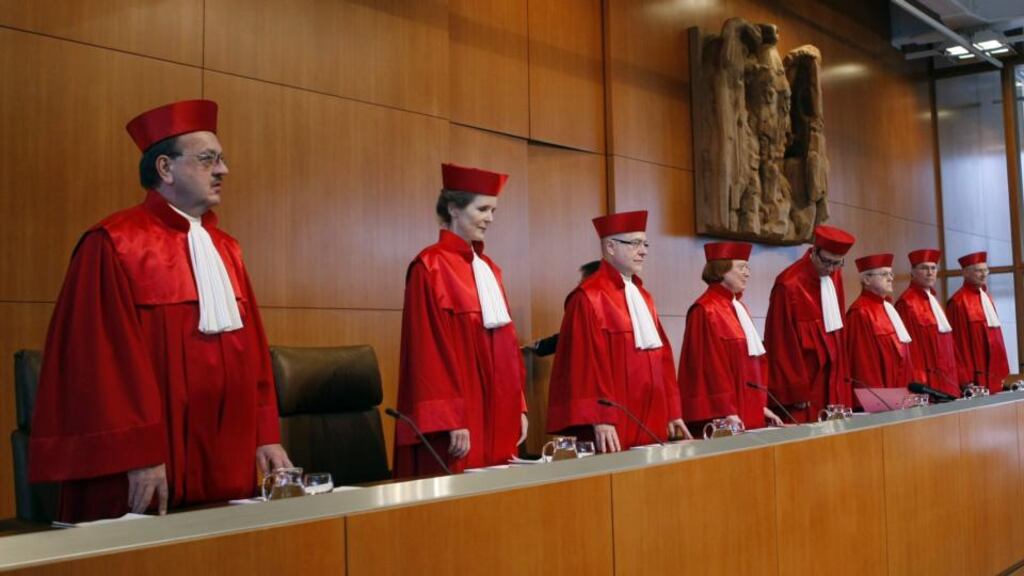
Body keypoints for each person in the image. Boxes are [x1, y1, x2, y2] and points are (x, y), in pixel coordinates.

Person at [29, 100, 290, 522]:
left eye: (221, 159)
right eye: (208, 159)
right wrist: (139, 452)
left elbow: (253, 355)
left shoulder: (227, 249)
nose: (223, 170)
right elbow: (100, 367)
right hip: (150, 464)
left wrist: (264, 436)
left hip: (227, 458)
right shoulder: (113, 244)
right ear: (165, 169)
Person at [392, 163, 527, 477]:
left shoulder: (490, 270)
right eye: (482, 209)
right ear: (453, 208)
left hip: (497, 410)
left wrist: (517, 405)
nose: (490, 219)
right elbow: (428, 353)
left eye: (493, 210)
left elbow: (507, 347)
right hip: (458, 420)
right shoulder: (429, 267)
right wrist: (449, 418)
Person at [546, 211, 689, 452]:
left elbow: (662, 358)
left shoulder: (644, 297)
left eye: (645, 244)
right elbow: (583, 365)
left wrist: (672, 410)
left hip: (652, 414)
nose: (643, 251)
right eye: (635, 243)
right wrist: (600, 415)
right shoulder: (588, 297)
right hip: (613, 420)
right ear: (610, 246)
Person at [678, 242, 784, 431]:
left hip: (746, 410)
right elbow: (706, 368)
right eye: (742, 267)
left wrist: (760, 406)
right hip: (725, 416)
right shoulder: (705, 310)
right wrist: (725, 410)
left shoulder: (740, 308)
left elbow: (751, 365)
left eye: (748, 268)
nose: (747, 273)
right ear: (721, 270)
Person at [764, 225, 855, 422]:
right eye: (827, 262)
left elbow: (838, 334)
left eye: (838, 264)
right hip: (806, 386)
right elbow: (780, 342)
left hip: (831, 382)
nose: (831, 269)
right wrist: (795, 390)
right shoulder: (788, 284)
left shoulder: (834, 277)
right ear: (814, 251)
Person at [895, 249, 959, 397]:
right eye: (924, 268)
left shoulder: (934, 299)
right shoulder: (906, 303)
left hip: (948, 376)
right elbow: (909, 349)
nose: (930, 272)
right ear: (912, 272)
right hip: (928, 379)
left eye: (933, 268)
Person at [845, 253, 914, 390]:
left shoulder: (888, 307)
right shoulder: (860, 312)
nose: (890, 278)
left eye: (891, 274)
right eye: (884, 274)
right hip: (882, 396)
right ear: (866, 279)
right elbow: (863, 363)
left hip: (901, 388)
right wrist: (879, 399)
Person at [947, 251, 1010, 394]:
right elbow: (958, 344)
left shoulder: (987, 297)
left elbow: (997, 338)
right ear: (965, 273)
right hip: (975, 374)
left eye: (985, 270)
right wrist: (966, 379)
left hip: (993, 371)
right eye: (978, 271)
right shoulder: (958, 302)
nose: (984, 274)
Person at [526, 260, 601, 357]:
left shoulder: (585, 300)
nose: (579, 283)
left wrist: (541, 346)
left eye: (582, 279)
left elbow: (573, 335)